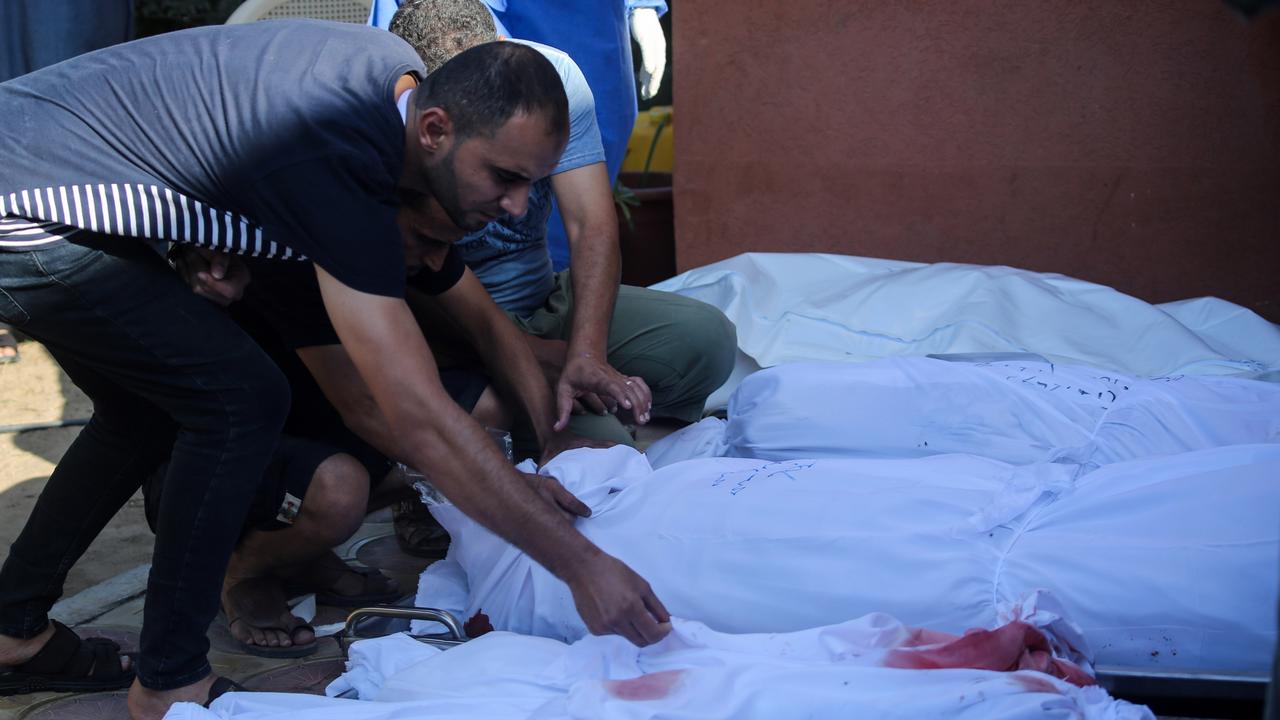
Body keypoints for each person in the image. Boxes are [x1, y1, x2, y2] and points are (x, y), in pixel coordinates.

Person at [0, 23, 668, 720]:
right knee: (236, 400)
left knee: (145, 410)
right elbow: (408, 412)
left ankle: (14, 633)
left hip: (40, 172)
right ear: (435, 129)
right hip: (23, 203)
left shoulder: (392, 88)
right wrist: (582, 567)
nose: (516, 207)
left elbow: (213, 133)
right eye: (504, 178)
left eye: (530, 185)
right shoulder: (341, 156)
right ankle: (171, 686)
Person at [385, 0, 737, 451]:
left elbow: (591, 224)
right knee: (606, 450)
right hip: (447, 330)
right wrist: (531, 355)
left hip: (540, 300)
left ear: (501, 48)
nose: (514, 205)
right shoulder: (385, 111)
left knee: (707, 342)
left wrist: (585, 353)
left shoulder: (550, 79)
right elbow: (406, 279)